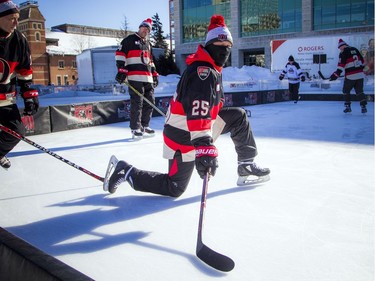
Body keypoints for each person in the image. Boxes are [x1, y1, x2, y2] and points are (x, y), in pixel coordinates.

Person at [105, 15, 270, 197]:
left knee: (238, 117)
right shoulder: (204, 72)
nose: (224, 51)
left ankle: (246, 164)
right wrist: (204, 147)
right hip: (182, 133)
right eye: (218, 46)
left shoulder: (212, 68)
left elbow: (207, 109)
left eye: (227, 47)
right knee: (175, 187)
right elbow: (197, 114)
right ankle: (126, 171)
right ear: (208, 46)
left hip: (196, 127)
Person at [0, 0, 39, 169]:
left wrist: (29, 96)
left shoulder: (19, 40)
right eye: (11, 18)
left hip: (5, 99)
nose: (16, 23)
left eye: (17, 18)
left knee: (16, 132)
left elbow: (25, 71)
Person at [115, 18, 159, 139]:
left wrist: (154, 74)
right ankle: (135, 128)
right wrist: (122, 70)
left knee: (150, 102)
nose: (145, 30)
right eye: (144, 28)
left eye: (148, 29)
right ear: (140, 28)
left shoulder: (148, 44)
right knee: (137, 103)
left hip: (147, 77)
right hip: (135, 76)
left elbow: (151, 61)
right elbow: (120, 54)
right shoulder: (129, 40)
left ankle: (145, 125)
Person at [330, 39, 367, 114]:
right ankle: (363, 107)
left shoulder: (343, 52)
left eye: (339, 47)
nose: (339, 49)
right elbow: (363, 62)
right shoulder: (355, 49)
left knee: (346, 91)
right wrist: (359, 68)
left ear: (342, 46)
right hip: (360, 75)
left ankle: (348, 107)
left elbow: (341, 65)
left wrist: (336, 74)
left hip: (351, 76)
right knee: (360, 91)